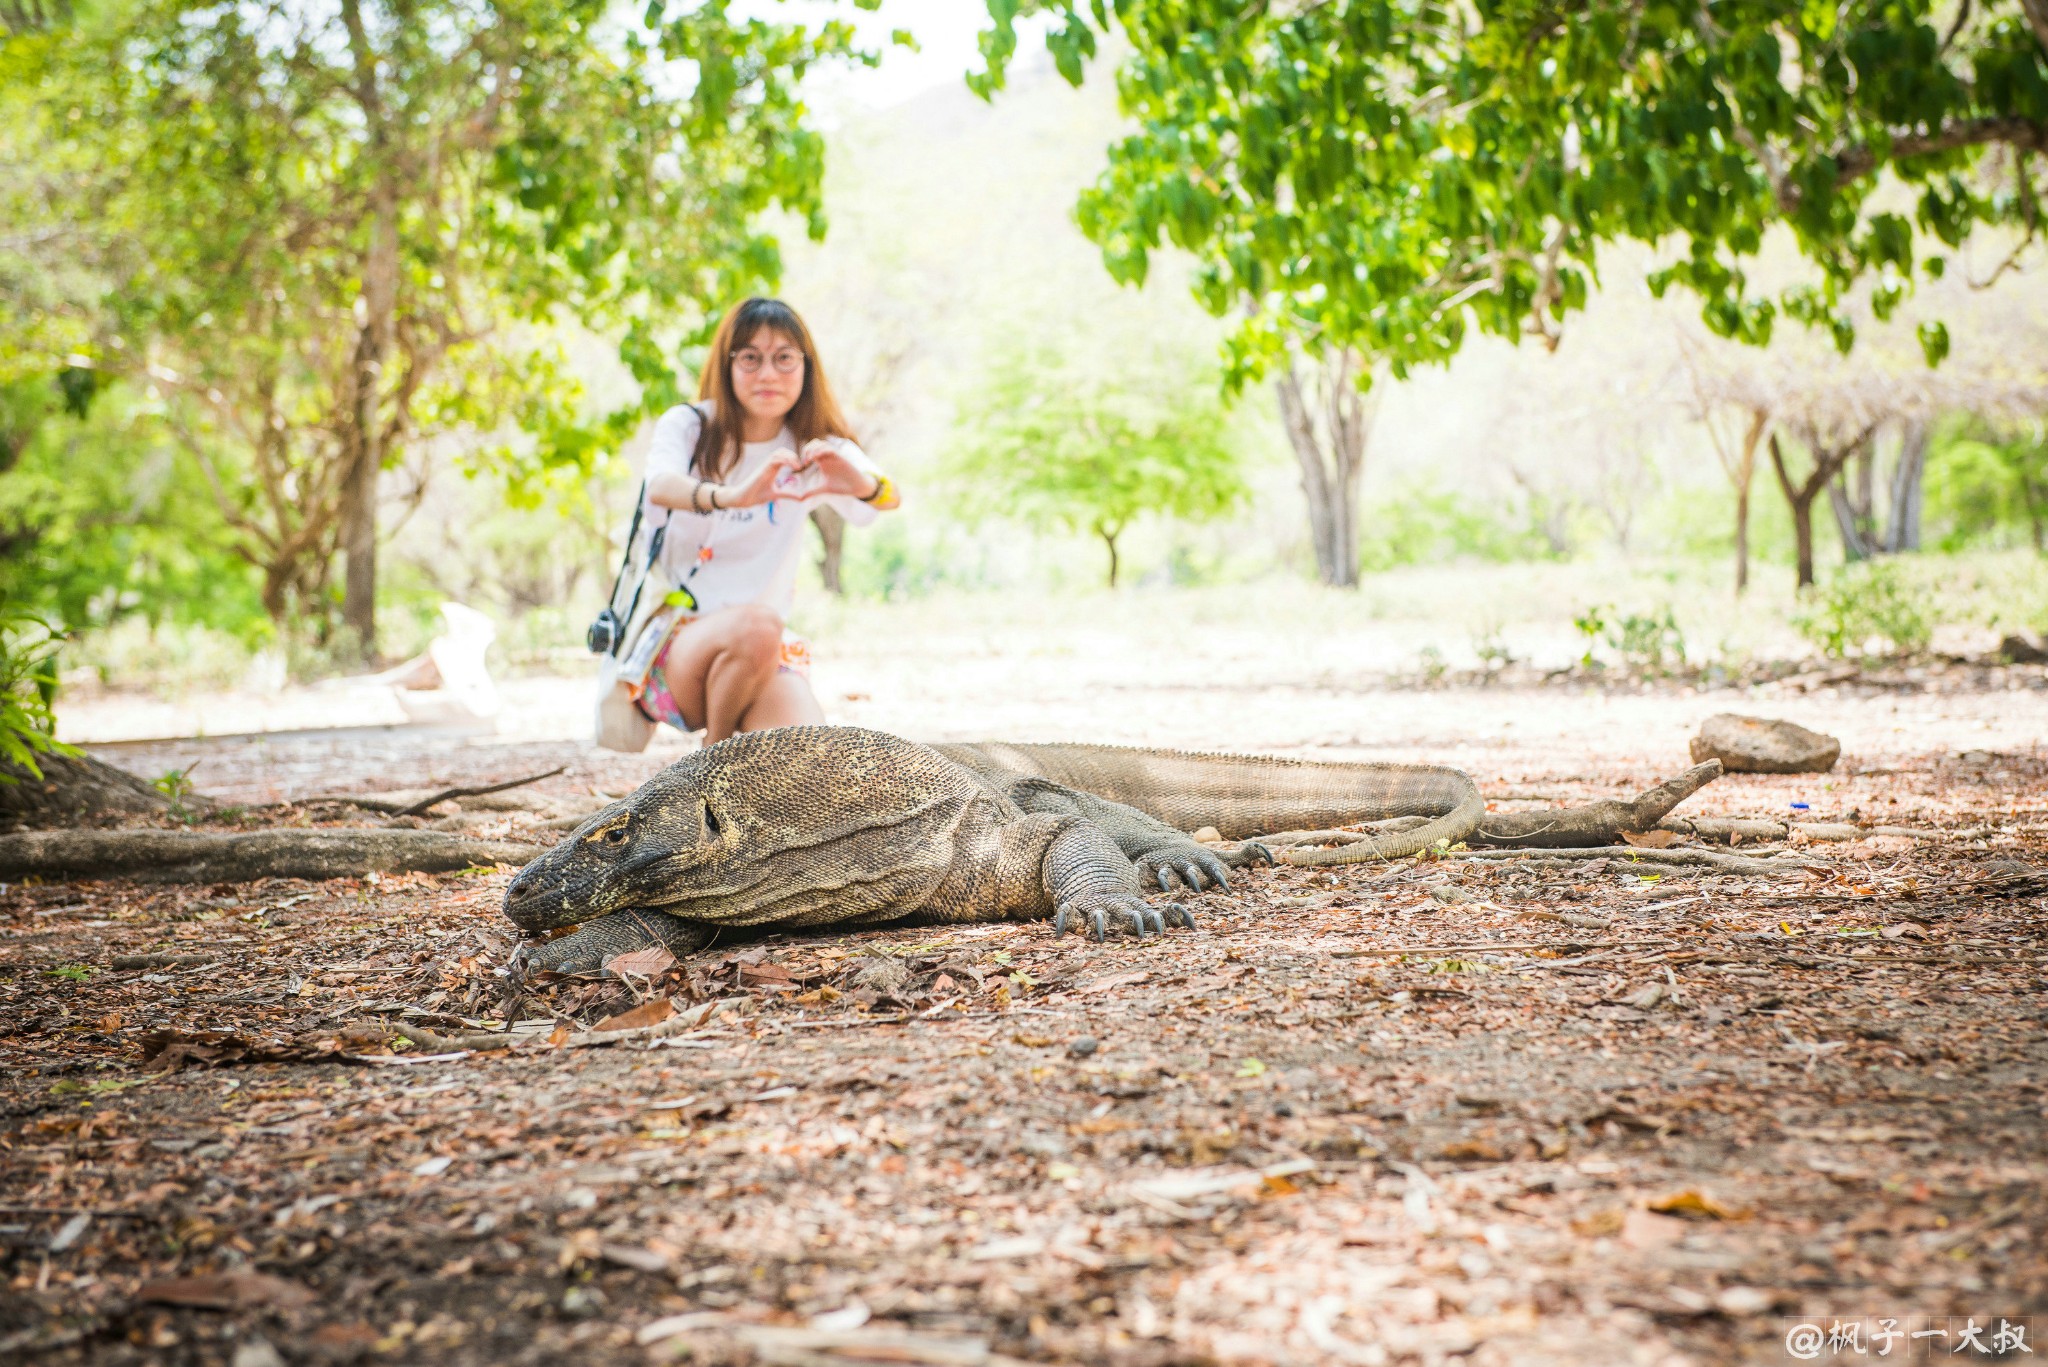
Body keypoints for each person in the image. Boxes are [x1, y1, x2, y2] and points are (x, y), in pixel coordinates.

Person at [617, 297, 899, 743]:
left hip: (762, 655)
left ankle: (730, 774)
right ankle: (712, 757)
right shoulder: (690, 428)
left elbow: (887, 496)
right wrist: (733, 496)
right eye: (750, 358)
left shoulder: (813, 447)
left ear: (806, 367)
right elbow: (660, 486)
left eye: (784, 358)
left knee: (811, 761)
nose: (768, 374)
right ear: (727, 365)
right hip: (675, 653)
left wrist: (858, 482)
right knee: (758, 624)